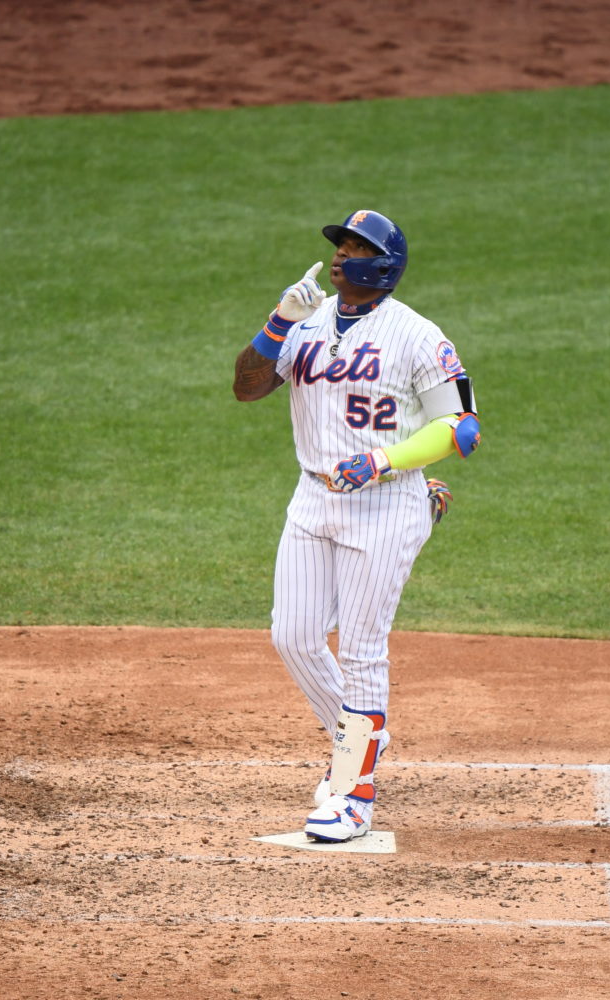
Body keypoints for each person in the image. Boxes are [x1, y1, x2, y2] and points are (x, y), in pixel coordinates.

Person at [233, 210, 480, 842]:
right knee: (293, 636)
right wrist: (276, 324)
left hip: (385, 503)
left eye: (355, 247)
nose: (341, 257)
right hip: (311, 499)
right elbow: (247, 388)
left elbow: (461, 428)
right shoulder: (306, 322)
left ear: (384, 264)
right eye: (339, 245)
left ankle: (351, 793)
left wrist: (383, 459)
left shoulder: (417, 335)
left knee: (364, 650)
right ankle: (363, 736)